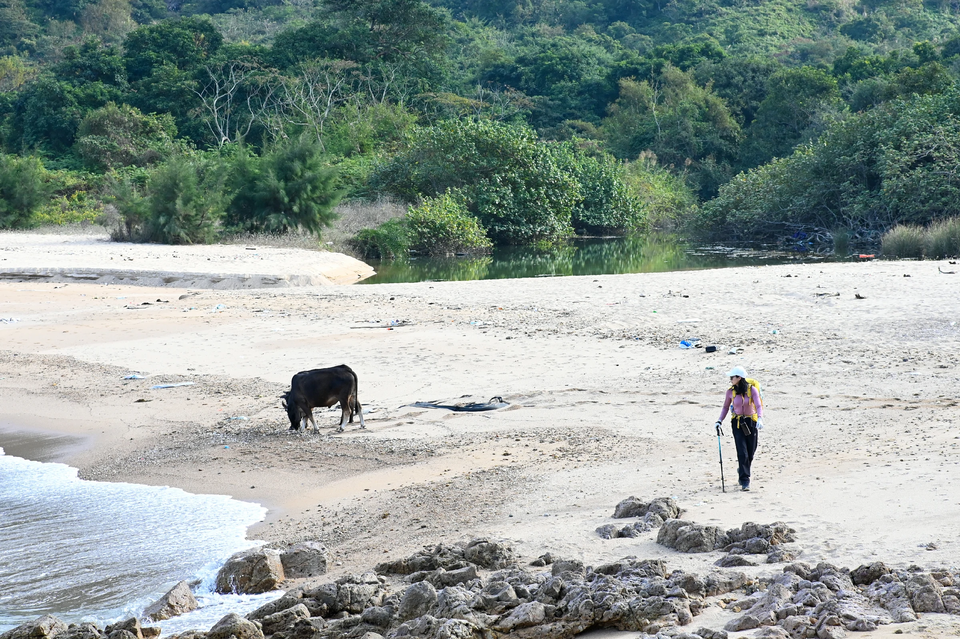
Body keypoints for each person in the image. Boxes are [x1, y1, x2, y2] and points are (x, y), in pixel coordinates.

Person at [715, 366, 762, 491]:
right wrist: (719, 420)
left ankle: (742, 469)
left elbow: (758, 405)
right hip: (737, 423)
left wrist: (760, 418)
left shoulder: (752, 390)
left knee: (751, 452)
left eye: (732, 377)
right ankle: (745, 480)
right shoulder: (730, 392)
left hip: (751, 422)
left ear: (739, 378)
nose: (730, 379)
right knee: (742, 452)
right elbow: (725, 407)